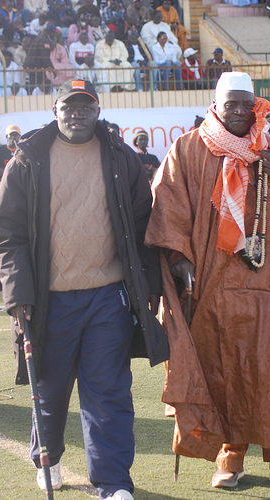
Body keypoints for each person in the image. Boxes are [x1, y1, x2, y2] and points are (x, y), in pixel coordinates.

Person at [0, 78, 169, 499]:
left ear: (98, 110)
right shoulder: (28, 160)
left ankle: (113, 482)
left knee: (108, 393)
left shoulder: (122, 158)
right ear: (55, 110)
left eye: (85, 106)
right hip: (49, 299)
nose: (77, 113)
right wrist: (17, 294)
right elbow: (6, 232)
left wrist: (150, 284)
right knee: (49, 389)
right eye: (69, 107)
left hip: (108, 296)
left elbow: (144, 226)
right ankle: (47, 461)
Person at [145, 71, 270, 489]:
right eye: (230, 103)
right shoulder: (187, 149)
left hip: (263, 283)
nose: (239, 111)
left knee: (264, 367)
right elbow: (168, 206)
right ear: (215, 105)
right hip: (211, 286)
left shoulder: (267, 148)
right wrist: (180, 261)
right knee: (221, 372)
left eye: (245, 104)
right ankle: (229, 457)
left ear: (256, 104)